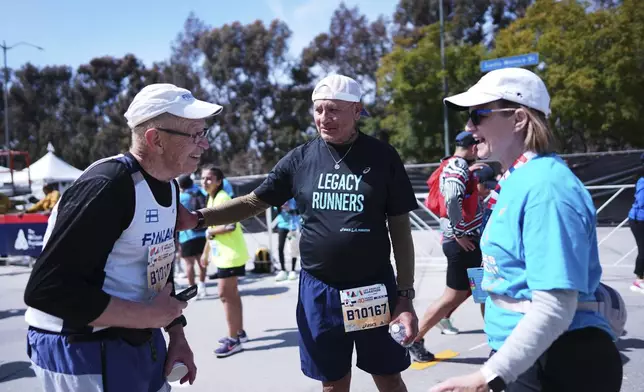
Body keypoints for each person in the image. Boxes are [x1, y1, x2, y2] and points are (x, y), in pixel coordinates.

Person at [179, 74, 419, 392]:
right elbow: (253, 202)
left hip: (370, 289)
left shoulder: (382, 158)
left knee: (387, 375)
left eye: (333, 110)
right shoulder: (300, 159)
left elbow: (401, 231)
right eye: (318, 110)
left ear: (357, 111)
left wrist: (404, 296)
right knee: (332, 383)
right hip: (320, 291)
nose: (324, 118)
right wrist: (198, 219)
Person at [430, 68, 622, 392]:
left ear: (518, 119)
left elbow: (555, 305)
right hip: (526, 357)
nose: (468, 127)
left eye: (478, 115)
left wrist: (485, 377)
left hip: (558, 363)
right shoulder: (518, 179)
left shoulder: (547, 187)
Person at [23, 83, 223, 391]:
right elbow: (48, 291)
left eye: (204, 133)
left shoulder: (169, 186)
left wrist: (176, 334)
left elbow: (158, 269)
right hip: (80, 347)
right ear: (155, 139)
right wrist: (149, 317)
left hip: (137, 335)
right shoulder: (107, 185)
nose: (204, 145)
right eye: (194, 135)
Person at [409, 131, 484, 362]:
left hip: (466, 242)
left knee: (476, 292)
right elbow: (452, 198)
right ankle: (412, 339)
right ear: (472, 148)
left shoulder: (452, 165)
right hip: (463, 243)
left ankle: (498, 342)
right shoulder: (458, 166)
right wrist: (459, 231)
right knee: (459, 295)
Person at [200, 165, 250, 358]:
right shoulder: (212, 198)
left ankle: (233, 341)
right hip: (224, 255)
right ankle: (239, 332)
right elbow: (210, 231)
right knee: (232, 294)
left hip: (231, 256)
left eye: (209, 178)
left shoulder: (223, 199)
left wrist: (211, 231)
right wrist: (205, 254)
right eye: (203, 178)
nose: (205, 182)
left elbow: (230, 225)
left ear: (219, 181)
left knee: (224, 294)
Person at [177, 174, 209, 298]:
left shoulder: (180, 197)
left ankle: (192, 291)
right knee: (202, 262)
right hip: (201, 233)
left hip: (186, 236)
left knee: (189, 264)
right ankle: (202, 285)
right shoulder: (199, 194)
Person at [628, 153, 644, 294]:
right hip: (639, 220)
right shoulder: (642, 181)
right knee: (643, 250)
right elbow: (641, 201)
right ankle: (639, 280)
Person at [275, 198, 301, 282]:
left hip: (293, 225)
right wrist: (281, 205)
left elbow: (300, 210)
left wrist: (291, 210)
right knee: (280, 247)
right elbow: (275, 209)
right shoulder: (281, 196)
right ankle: (283, 269)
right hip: (282, 224)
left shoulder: (295, 197)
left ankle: (292, 270)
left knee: (294, 248)